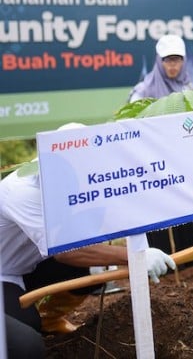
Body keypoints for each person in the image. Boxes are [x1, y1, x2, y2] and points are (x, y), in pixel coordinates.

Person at [1, 123, 176, 354]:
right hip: (5, 272)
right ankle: (34, 319)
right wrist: (135, 257)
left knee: (94, 266)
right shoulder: (22, 192)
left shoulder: (69, 178)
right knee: (26, 338)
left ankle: (49, 318)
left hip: (27, 263)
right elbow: (67, 251)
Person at [129, 34, 193, 258]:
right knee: (156, 213)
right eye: (168, 60)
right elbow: (131, 123)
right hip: (153, 166)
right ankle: (161, 264)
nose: (173, 65)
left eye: (177, 60)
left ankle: (188, 262)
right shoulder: (143, 91)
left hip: (182, 165)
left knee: (185, 211)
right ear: (159, 61)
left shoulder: (190, 89)